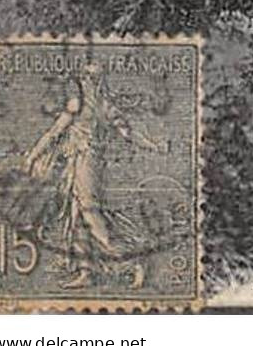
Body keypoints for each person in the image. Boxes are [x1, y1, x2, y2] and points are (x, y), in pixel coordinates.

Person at [18, 61, 164, 289]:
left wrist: (152, 145)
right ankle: (87, 272)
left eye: (90, 76)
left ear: (96, 80)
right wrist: (32, 156)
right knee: (76, 218)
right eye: (85, 76)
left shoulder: (90, 107)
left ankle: (133, 260)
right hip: (78, 163)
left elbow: (128, 132)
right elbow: (55, 133)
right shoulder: (94, 106)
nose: (86, 80)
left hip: (86, 163)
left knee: (89, 215)